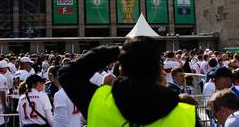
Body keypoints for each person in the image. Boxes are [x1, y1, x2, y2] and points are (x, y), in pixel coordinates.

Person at [58, 36, 197, 125]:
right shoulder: (185, 116)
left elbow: (68, 73)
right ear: (160, 72)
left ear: (121, 71)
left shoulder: (98, 102)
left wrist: (119, 51)